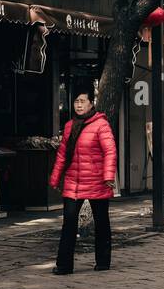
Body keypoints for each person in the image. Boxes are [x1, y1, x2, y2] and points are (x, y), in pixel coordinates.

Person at [50, 87, 117, 274]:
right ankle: (64, 265)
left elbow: (110, 151)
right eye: (76, 101)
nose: (78, 105)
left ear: (91, 103)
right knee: (69, 223)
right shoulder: (70, 125)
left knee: (101, 222)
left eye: (82, 101)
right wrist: (55, 178)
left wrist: (108, 177)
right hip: (73, 182)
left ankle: (103, 262)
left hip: (97, 182)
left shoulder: (101, 125)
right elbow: (63, 154)